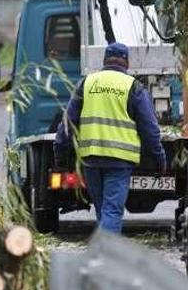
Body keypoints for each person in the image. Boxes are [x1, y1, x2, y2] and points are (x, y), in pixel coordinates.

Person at [53, 42, 166, 233]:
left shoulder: (87, 83)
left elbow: (68, 123)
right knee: (112, 211)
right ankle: (107, 255)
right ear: (127, 63)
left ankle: (103, 252)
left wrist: (60, 154)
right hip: (119, 160)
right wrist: (159, 158)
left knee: (103, 211)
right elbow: (150, 129)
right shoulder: (133, 87)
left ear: (104, 60)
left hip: (91, 159)